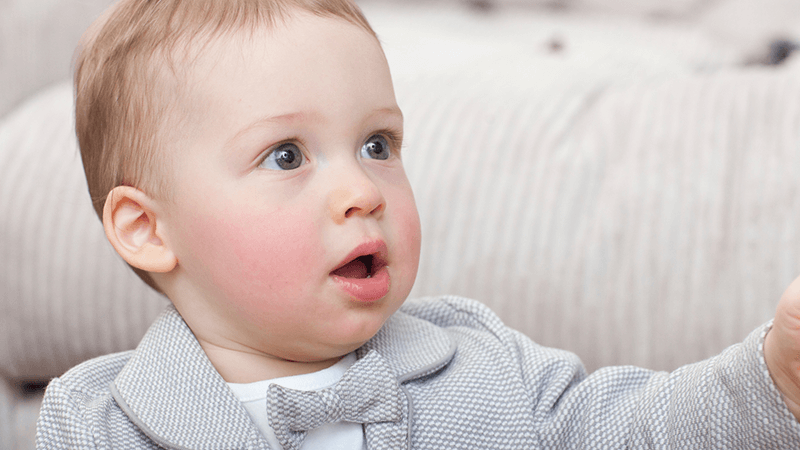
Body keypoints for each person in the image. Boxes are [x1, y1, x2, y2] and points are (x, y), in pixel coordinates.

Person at [35, 0, 800, 448]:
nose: (361, 190)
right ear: (146, 228)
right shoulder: (97, 422)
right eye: (287, 155)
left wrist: (772, 377)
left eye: (378, 145)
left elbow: (633, 430)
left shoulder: (484, 363)